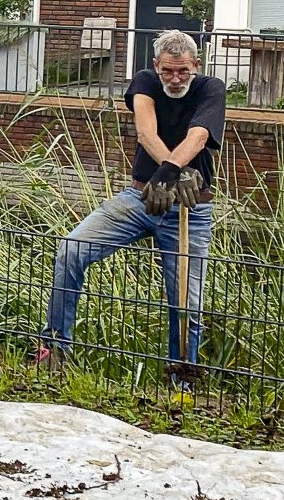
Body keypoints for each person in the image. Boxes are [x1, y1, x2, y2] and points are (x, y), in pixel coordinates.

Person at [39, 30, 223, 374]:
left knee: (187, 303)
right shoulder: (145, 82)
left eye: (183, 71)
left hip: (189, 210)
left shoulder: (210, 89)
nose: (175, 79)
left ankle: (181, 379)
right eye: (167, 71)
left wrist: (169, 172)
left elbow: (198, 136)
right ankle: (54, 350)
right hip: (139, 198)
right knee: (72, 248)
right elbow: (146, 132)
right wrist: (172, 172)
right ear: (156, 65)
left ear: (196, 66)